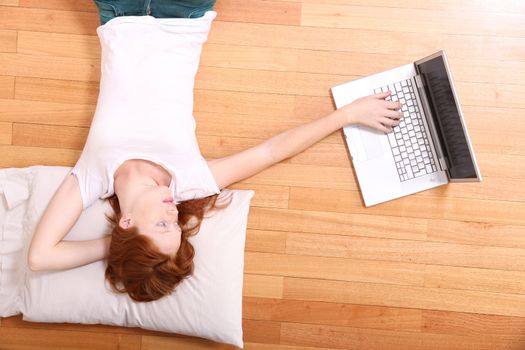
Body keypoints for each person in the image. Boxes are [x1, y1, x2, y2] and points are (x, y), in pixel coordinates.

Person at [27, 0, 403, 302]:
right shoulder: (191, 181)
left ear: (126, 223)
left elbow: (40, 257)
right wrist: (348, 114)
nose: (172, 214)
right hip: (183, 15)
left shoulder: (92, 177)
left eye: (161, 224)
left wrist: (115, 248)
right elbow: (271, 151)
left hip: (119, 13)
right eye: (175, 225)